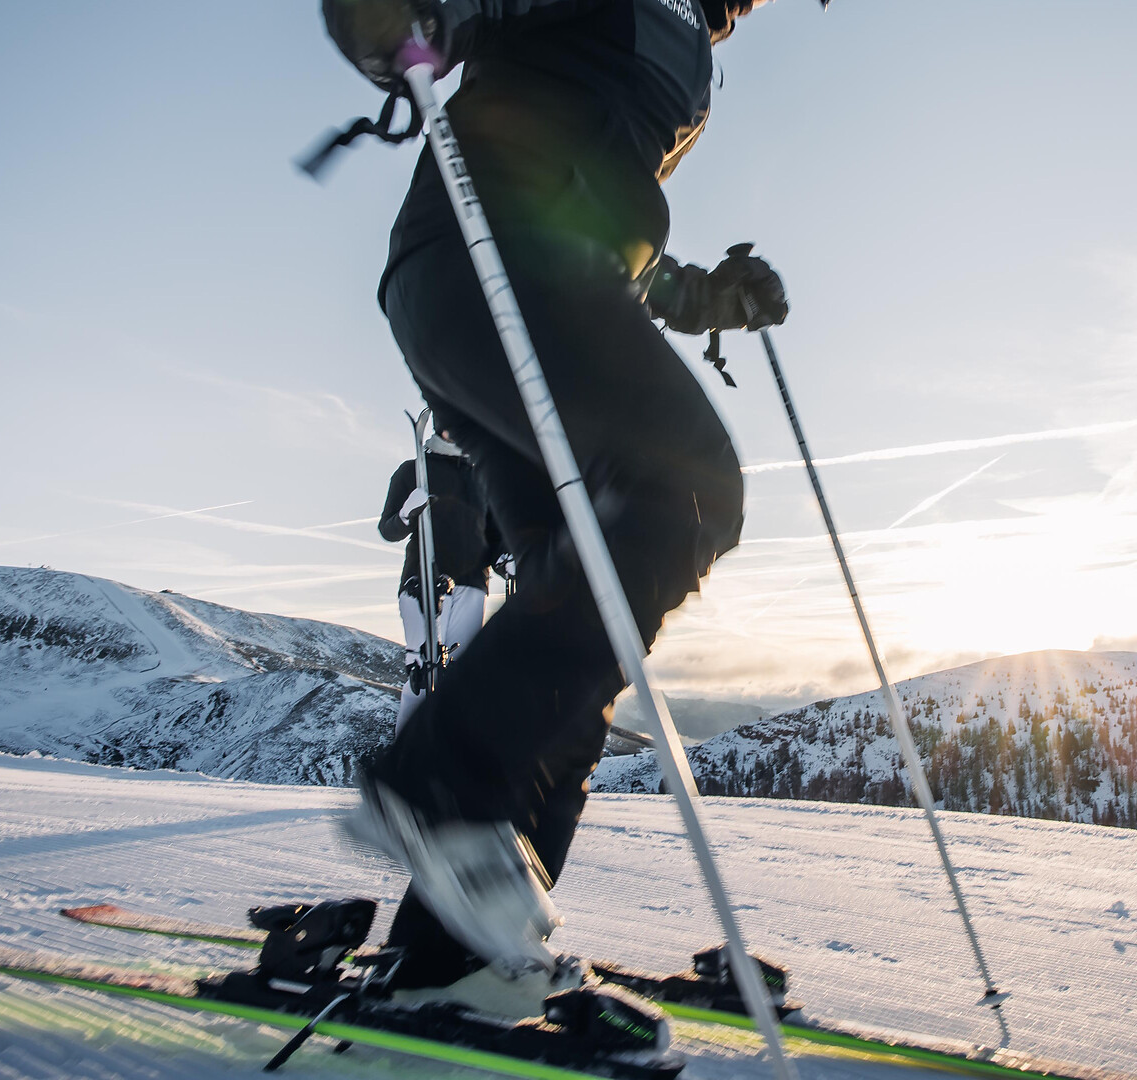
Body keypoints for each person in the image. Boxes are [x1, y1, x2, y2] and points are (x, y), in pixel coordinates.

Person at [316, 0, 794, 1010]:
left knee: (584, 597)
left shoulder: (679, 50)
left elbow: (599, 205)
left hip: (502, 277)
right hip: (489, 264)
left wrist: (708, 298)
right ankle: (438, 786)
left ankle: (453, 953)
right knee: (691, 487)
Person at [376, 429, 504, 732]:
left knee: (460, 677)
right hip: (421, 580)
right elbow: (388, 529)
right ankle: (406, 760)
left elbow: (496, 538)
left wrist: (505, 559)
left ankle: (448, 760)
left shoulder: (484, 478)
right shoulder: (413, 470)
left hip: (472, 584)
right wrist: (407, 514)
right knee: (423, 670)